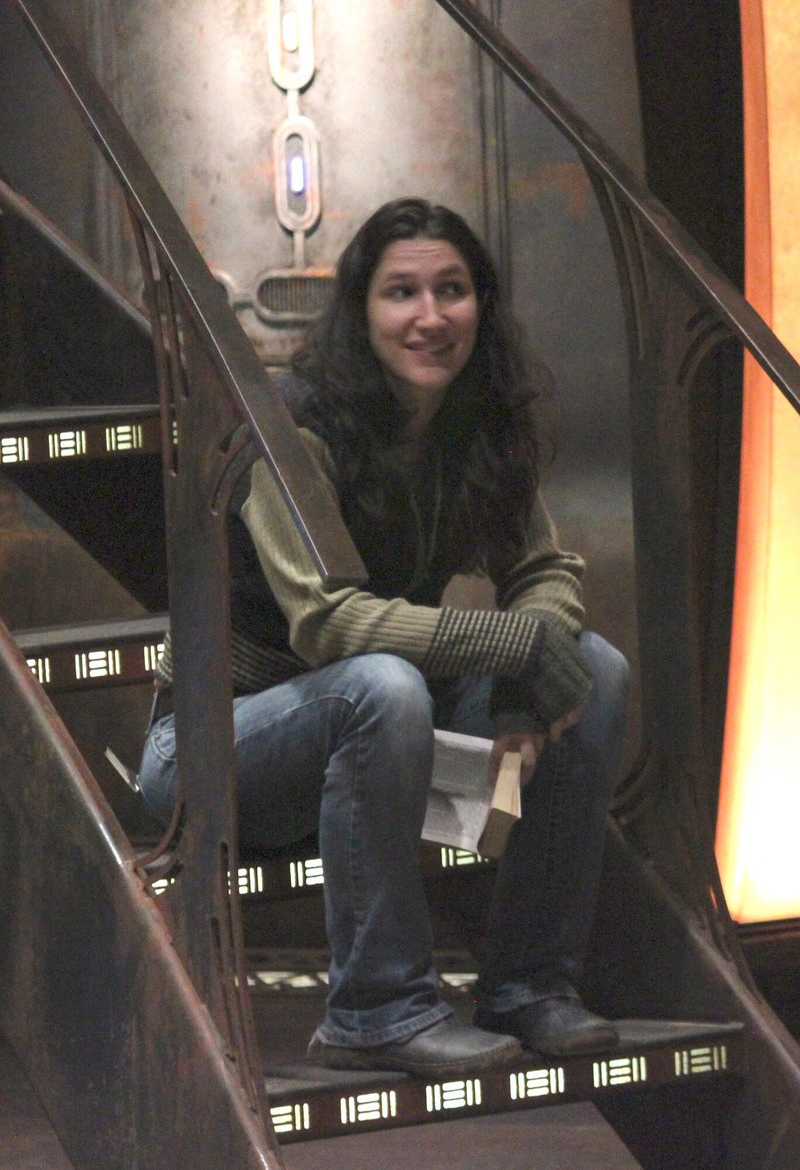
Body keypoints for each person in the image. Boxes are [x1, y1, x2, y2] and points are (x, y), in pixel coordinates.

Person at [139, 197, 629, 1077]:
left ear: (482, 303)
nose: (431, 316)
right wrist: (510, 648)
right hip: (216, 745)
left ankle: (527, 986)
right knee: (382, 683)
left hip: (373, 735)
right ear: (362, 312)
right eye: (402, 292)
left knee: (596, 669)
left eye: (452, 289)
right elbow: (330, 625)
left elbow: (546, 570)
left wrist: (529, 672)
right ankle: (375, 1009)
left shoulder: (475, 422)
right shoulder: (288, 429)